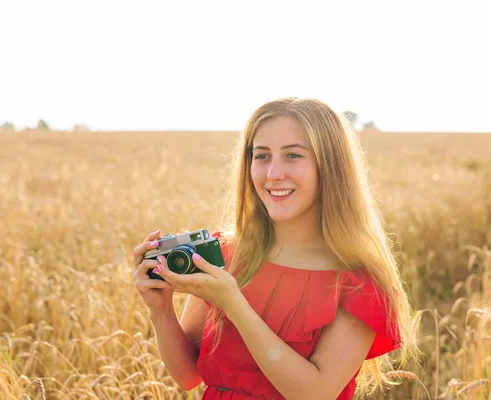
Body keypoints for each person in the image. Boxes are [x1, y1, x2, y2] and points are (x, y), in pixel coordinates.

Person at [131, 97, 419, 399]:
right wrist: (160, 310)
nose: (273, 173)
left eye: (293, 155)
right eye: (262, 156)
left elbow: (315, 394)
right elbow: (188, 375)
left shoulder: (359, 283)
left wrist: (234, 305)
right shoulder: (225, 254)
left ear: (330, 167)